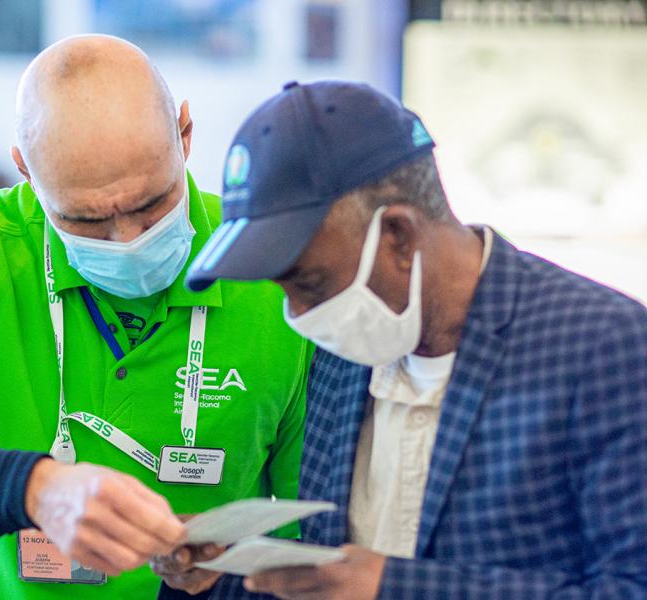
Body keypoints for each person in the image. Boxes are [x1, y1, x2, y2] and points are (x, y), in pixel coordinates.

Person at [0, 35, 314, 600]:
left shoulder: (269, 270)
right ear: (25, 170)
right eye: (87, 221)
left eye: (151, 204)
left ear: (185, 135)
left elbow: (310, 529)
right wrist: (33, 488)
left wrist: (237, 574)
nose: (128, 240)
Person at [182, 80, 647, 599]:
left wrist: (396, 587)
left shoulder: (605, 346)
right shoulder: (348, 353)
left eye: (309, 284)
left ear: (399, 236)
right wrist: (234, 572)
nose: (299, 315)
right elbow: (339, 581)